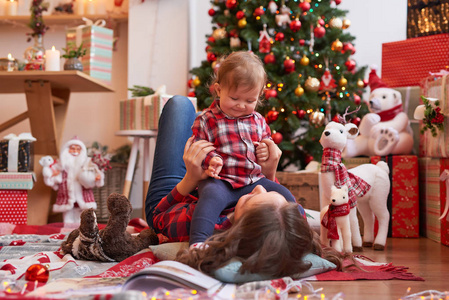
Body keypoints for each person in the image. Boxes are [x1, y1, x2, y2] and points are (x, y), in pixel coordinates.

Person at [145, 96, 343, 279]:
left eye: (250, 199)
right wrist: (269, 174)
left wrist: (191, 178)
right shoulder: (285, 222)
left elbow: (157, 217)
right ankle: (211, 124)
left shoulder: (203, 221)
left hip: (182, 191)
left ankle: (204, 125)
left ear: (237, 227)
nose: (257, 189)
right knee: (206, 120)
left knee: (180, 105)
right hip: (227, 170)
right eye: (270, 192)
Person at [189, 51, 296, 247]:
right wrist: (210, 160)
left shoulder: (258, 120)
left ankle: (298, 236)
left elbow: (265, 143)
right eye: (234, 98)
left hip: (253, 179)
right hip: (221, 182)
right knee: (208, 200)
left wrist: (264, 150)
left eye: (249, 101)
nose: (241, 105)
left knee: (285, 196)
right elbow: (198, 146)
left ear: (259, 96)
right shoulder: (206, 119)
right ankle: (198, 244)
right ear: (218, 90)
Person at [50, 137, 105, 223]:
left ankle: (81, 227)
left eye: (78, 149)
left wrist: (97, 177)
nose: (75, 151)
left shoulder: (87, 162)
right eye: (72, 149)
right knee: (68, 211)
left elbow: (95, 170)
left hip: (83, 192)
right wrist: (53, 176)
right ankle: (68, 227)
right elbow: (53, 175)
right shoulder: (61, 164)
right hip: (67, 192)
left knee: (82, 211)